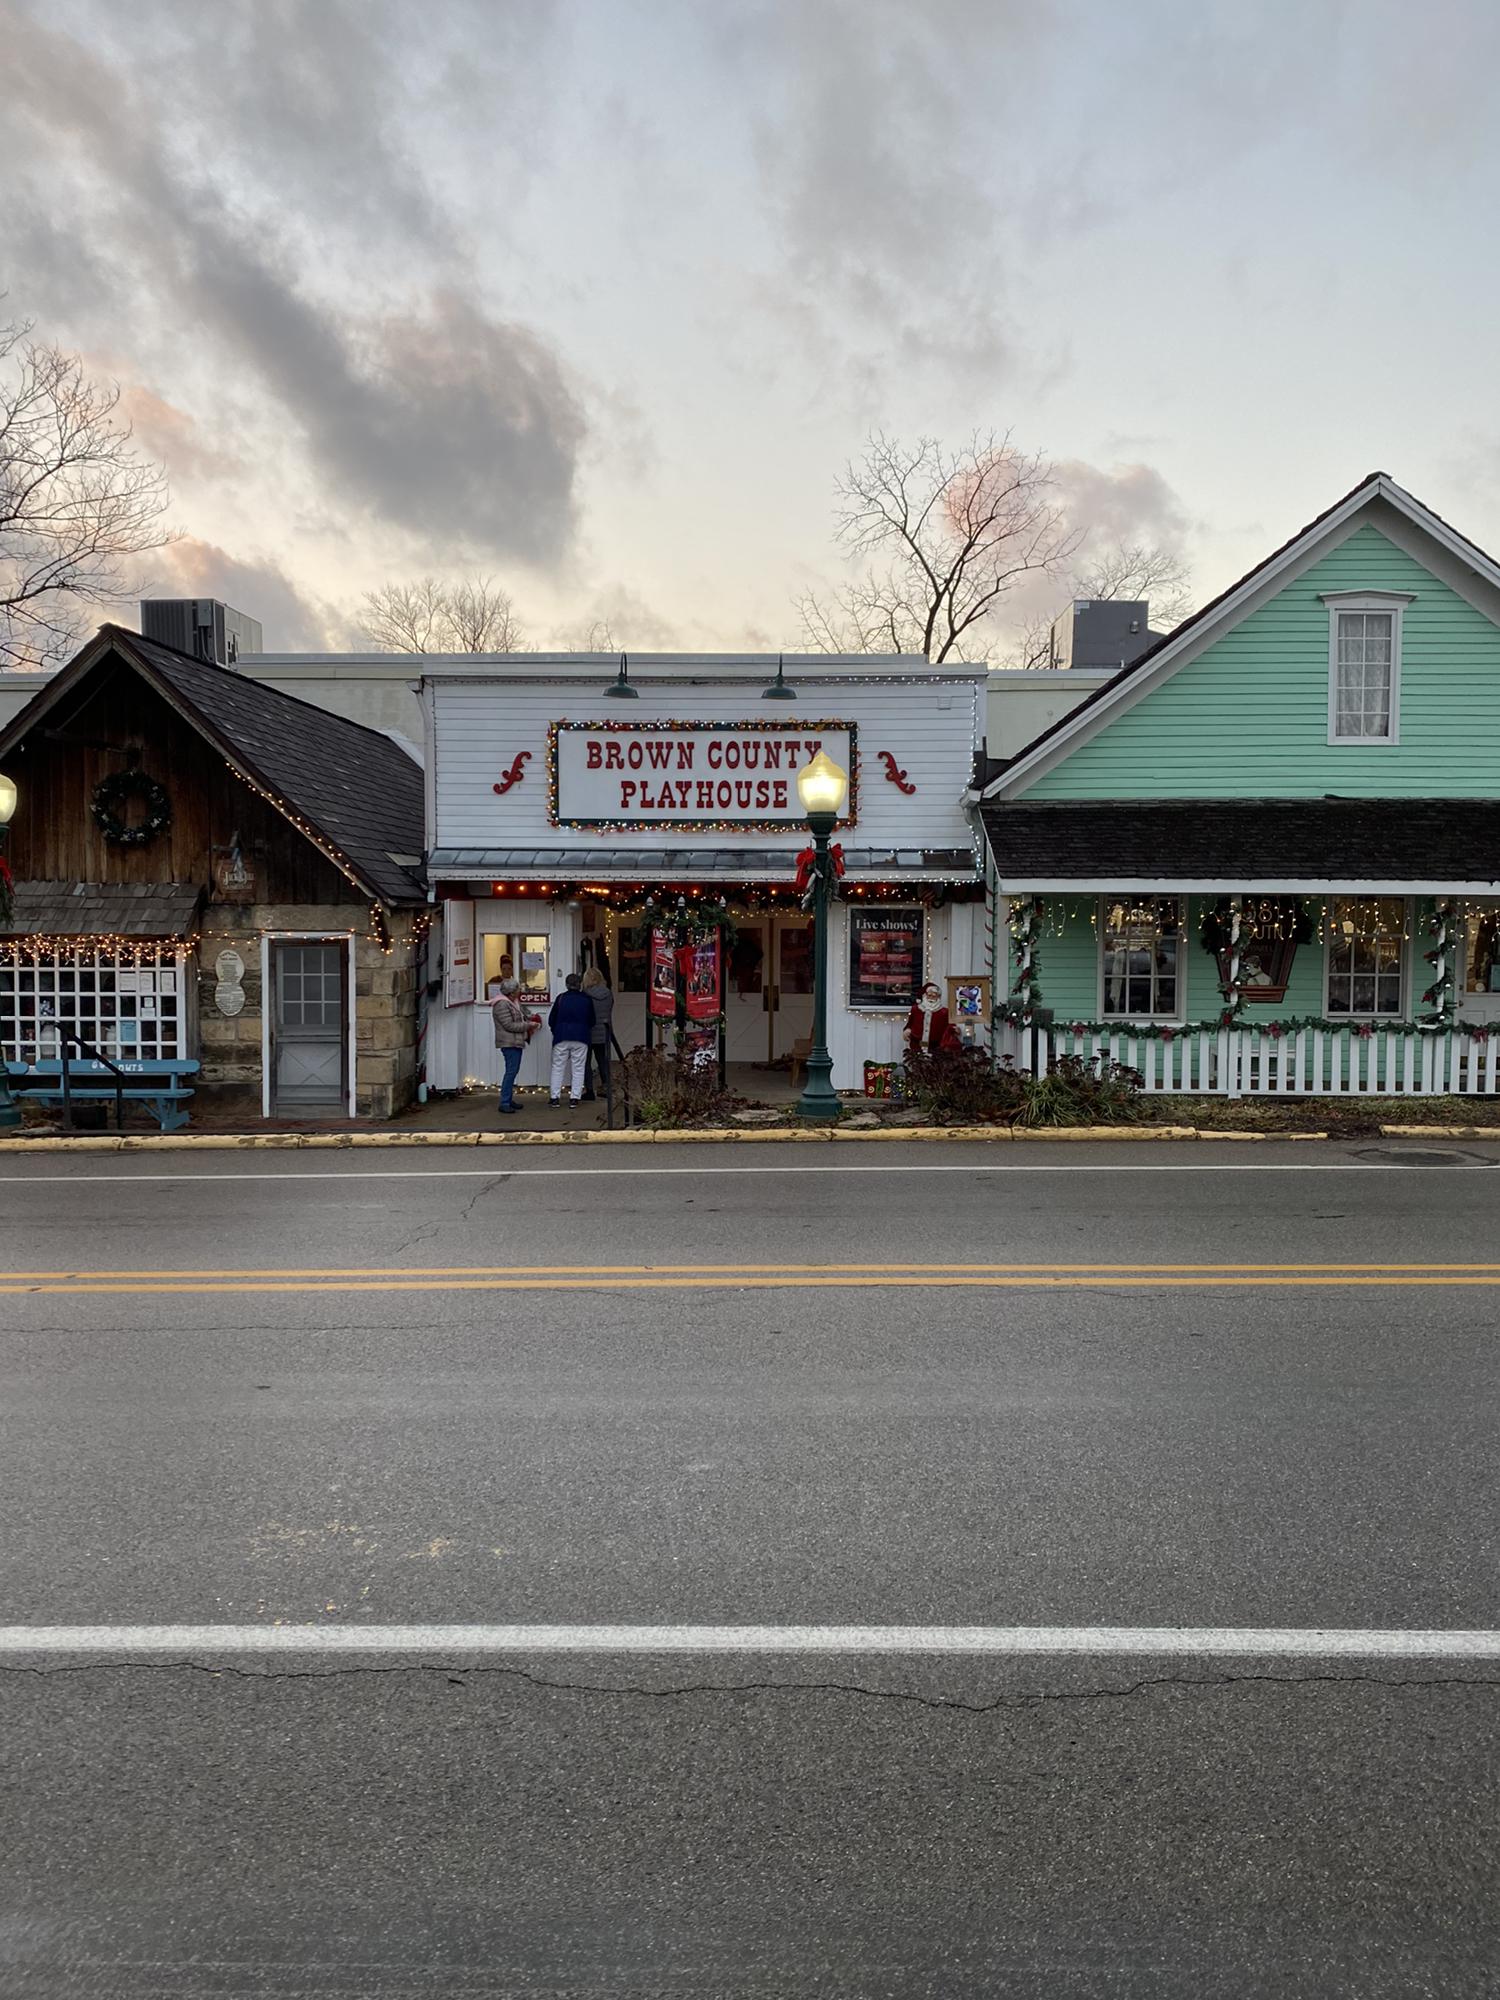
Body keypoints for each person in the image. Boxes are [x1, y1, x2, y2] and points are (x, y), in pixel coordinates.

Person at [547, 972, 595, 1107]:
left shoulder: (560, 998)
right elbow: (592, 1020)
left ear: (567, 985)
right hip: (581, 1036)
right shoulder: (586, 999)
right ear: (579, 985)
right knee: (578, 1068)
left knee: (557, 1067)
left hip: (561, 1035)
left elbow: (552, 1020)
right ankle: (574, 1098)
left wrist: (555, 1030)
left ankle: (554, 1098)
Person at [490, 977, 534, 1114]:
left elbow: (519, 1016)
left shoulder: (512, 1002)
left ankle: (508, 1099)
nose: (519, 991)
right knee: (510, 1072)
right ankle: (504, 1102)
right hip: (509, 1042)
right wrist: (528, 1025)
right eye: (517, 989)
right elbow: (509, 1025)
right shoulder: (502, 1004)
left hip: (514, 1041)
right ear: (511, 992)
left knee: (512, 1071)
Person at [581, 964, 614, 1102]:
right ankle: (606, 1087)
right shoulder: (608, 993)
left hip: (588, 1031)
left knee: (586, 1062)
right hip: (604, 1030)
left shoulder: (585, 995)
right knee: (603, 1061)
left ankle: (589, 1091)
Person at [906, 980, 960, 1055]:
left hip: (935, 1046)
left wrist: (954, 1028)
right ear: (925, 995)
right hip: (917, 1045)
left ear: (938, 997)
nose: (931, 998)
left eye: (934, 996)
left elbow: (949, 1025)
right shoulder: (916, 1009)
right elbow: (910, 1023)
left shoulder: (944, 1012)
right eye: (929, 995)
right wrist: (907, 1030)